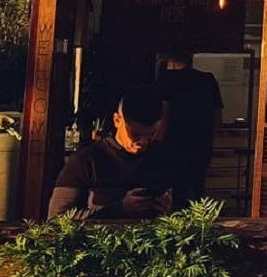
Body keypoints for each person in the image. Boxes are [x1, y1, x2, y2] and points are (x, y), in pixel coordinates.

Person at [48, 85, 177, 219]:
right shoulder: (85, 161)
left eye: (150, 135)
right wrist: (118, 209)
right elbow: (56, 218)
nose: (143, 142)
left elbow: (187, 212)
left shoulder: (164, 159)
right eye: (135, 135)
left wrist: (169, 211)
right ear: (117, 120)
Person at [157, 43, 224, 200]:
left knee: (173, 193)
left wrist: (156, 144)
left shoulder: (168, 81)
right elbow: (217, 117)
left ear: (171, 61)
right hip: (200, 146)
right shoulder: (208, 80)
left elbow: (164, 115)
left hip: (173, 146)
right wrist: (208, 139)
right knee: (196, 191)